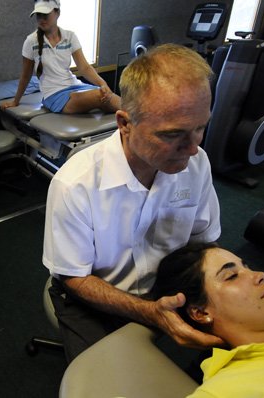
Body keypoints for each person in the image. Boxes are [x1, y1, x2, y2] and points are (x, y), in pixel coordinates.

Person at [42, 43, 223, 363]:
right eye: (172, 135)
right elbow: (75, 278)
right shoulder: (75, 185)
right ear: (124, 123)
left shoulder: (197, 163)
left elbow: (202, 239)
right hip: (91, 297)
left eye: (200, 128)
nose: (193, 148)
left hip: (168, 285)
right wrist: (150, 313)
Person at [151, 242, 264, 398]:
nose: (260, 274)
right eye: (231, 276)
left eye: (247, 267)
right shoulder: (226, 390)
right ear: (201, 313)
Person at [1, 0, 120, 114]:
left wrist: (103, 84)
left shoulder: (70, 36)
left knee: (109, 95)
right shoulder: (31, 41)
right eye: (38, 15)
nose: (41, 19)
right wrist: (15, 101)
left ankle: (135, 121)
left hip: (76, 86)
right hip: (54, 95)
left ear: (57, 12)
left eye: (45, 15)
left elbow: (84, 68)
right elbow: (26, 75)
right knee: (99, 95)